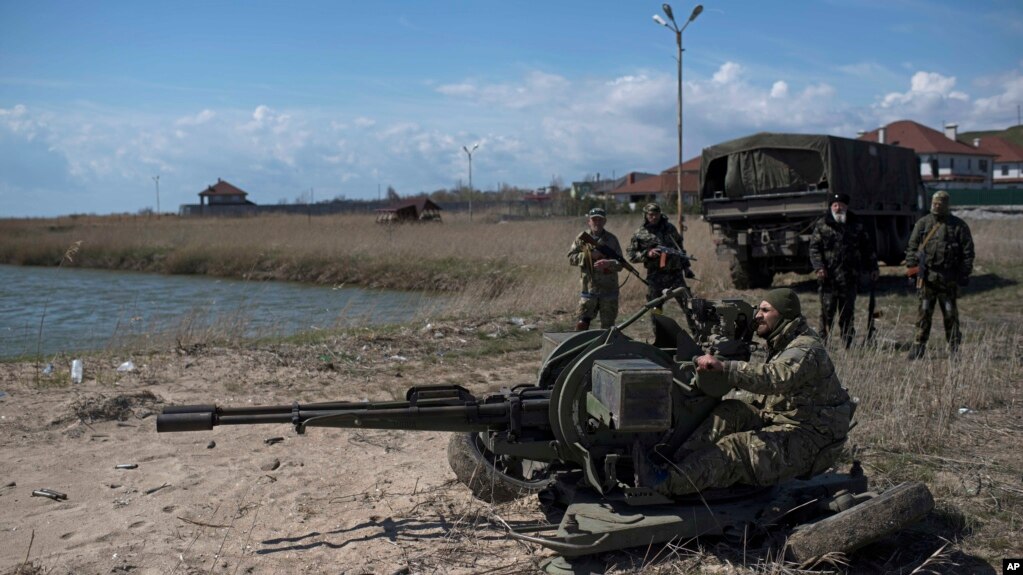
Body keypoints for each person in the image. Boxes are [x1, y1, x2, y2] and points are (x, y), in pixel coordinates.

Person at [637, 288, 853, 496]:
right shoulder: (783, 341)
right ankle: (675, 463)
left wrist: (726, 368)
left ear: (785, 315)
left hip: (812, 440)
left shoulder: (806, 349)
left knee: (737, 447)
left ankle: (666, 482)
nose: (757, 316)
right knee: (730, 411)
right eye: (758, 309)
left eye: (766, 311)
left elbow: (774, 378)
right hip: (782, 420)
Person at [905, 191, 975, 359]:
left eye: (941, 203)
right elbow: (912, 248)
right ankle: (918, 346)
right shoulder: (923, 224)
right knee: (923, 313)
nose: (937, 206)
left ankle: (954, 348)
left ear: (946, 204)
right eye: (935, 203)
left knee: (951, 315)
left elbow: (968, 252)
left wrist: (964, 273)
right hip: (927, 279)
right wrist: (912, 269)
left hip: (948, 280)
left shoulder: (958, 226)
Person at [808, 192, 879, 348]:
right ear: (831, 207)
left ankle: (847, 342)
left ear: (846, 206)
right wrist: (819, 267)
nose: (838, 208)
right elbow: (814, 248)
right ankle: (823, 343)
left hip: (849, 277)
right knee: (827, 311)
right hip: (828, 278)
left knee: (847, 311)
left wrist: (873, 267)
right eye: (835, 205)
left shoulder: (856, 224)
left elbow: (867, 248)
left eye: (841, 205)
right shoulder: (822, 225)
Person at [627, 203, 694, 316]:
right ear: (645, 215)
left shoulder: (670, 228)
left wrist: (686, 268)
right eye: (651, 214)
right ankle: (659, 333)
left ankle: (696, 331)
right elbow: (631, 255)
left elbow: (680, 250)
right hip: (655, 276)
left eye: (656, 214)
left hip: (675, 275)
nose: (654, 217)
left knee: (689, 307)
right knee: (656, 310)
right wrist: (647, 254)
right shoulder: (640, 233)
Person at [567, 207, 623, 330]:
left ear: (605, 222)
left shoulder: (612, 240)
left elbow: (620, 264)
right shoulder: (581, 238)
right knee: (582, 323)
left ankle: (605, 349)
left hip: (609, 289)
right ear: (589, 221)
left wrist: (608, 263)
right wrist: (589, 255)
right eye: (594, 219)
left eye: (600, 220)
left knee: (608, 327)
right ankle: (580, 348)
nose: (597, 222)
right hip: (589, 289)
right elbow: (571, 258)